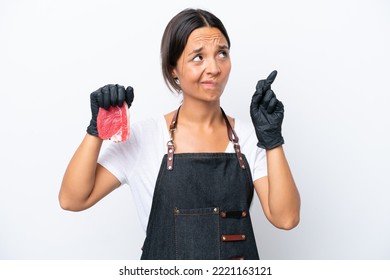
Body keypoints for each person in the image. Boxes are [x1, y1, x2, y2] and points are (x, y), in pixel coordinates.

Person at [59, 8, 300, 260]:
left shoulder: (249, 138)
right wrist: (96, 131)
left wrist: (272, 140)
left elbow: (286, 218)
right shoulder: (146, 137)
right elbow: (72, 199)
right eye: (198, 57)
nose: (214, 68)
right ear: (173, 68)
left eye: (222, 54)